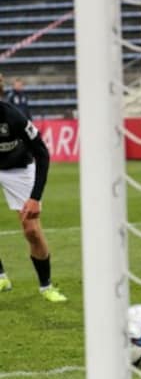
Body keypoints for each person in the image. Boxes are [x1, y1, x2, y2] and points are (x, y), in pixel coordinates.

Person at [0, 101, 64, 302]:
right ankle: (1, 276)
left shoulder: (13, 117)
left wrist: (35, 198)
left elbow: (42, 153)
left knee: (32, 231)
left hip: (18, 168)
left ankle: (46, 286)